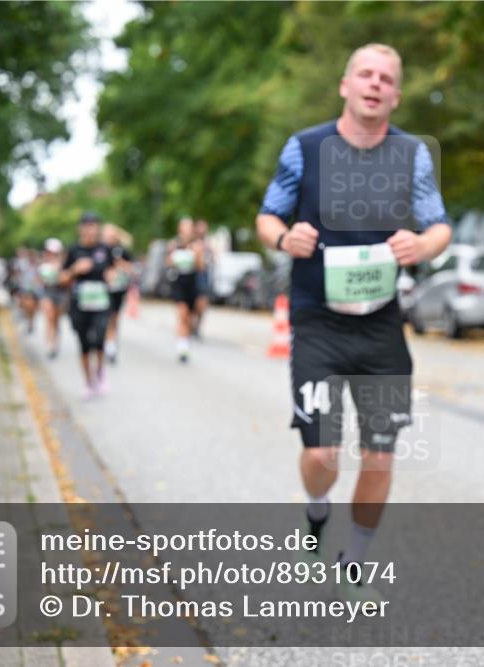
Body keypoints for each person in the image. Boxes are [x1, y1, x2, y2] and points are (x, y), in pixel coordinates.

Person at [256, 44, 451, 602]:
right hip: (318, 321)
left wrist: (422, 245)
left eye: (385, 79)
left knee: (381, 455)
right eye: (365, 74)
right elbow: (267, 215)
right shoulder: (305, 147)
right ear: (345, 85)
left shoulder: (411, 154)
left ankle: (355, 560)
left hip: (380, 326)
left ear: (396, 95)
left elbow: (439, 227)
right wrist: (283, 238)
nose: (374, 84)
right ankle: (317, 507)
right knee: (322, 452)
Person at [60, 212, 114, 399]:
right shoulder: (74, 250)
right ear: (80, 228)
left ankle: (100, 372)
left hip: (101, 302)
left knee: (99, 339)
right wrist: (75, 270)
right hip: (80, 303)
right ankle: (88, 382)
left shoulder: (105, 249)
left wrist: (112, 276)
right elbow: (62, 278)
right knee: (84, 343)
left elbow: (113, 270)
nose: (90, 230)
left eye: (93, 226)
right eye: (87, 226)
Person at [166, 217, 204, 363]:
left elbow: (200, 267)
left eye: (189, 227)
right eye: (184, 227)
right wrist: (173, 259)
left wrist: (196, 255)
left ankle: (186, 342)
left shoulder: (197, 245)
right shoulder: (174, 244)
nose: (187, 230)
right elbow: (168, 263)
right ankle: (181, 347)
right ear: (180, 229)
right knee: (182, 313)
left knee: (190, 317)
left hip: (192, 282)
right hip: (178, 282)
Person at [101, 223, 135, 365]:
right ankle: (106, 344)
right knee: (105, 318)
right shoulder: (100, 250)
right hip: (102, 291)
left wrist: (121, 265)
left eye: (112, 235)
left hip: (118, 290)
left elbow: (132, 268)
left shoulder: (122, 250)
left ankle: (111, 345)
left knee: (114, 318)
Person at [38, 238, 68, 360]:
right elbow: (40, 280)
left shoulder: (64, 264)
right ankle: (50, 344)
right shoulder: (42, 265)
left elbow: (66, 279)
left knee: (56, 319)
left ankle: (55, 340)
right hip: (47, 292)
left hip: (60, 293)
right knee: (49, 317)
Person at [191, 218, 213, 338]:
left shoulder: (208, 243)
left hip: (204, 274)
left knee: (202, 303)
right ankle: (191, 324)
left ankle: (197, 326)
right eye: (200, 227)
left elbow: (213, 258)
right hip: (193, 274)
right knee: (192, 302)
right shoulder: (191, 242)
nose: (202, 230)